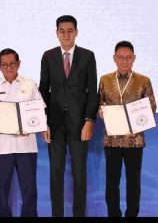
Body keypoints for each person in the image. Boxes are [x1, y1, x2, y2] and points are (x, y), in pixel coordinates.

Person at [39, 15, 98, 217]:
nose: (66, 35)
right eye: (62, 31)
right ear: (57, 33)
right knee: (56, 173)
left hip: (79, 123)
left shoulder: (87, 56)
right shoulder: (48, 56)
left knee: (79, 173)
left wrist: (89, 121)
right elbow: (43, 90)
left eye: (70, 31)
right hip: (54, 124)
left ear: (76, 32)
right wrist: (43, 122)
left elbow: (92, 92)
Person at [0, 48, 44, 217]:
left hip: (26, 145)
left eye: (12, 64)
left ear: (19, 64)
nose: (9, 67)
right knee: (1, 189)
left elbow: (39, 111)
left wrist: (32, 125)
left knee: (29, 188)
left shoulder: (30, 85)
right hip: (0, 146)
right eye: (5, 65)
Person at [98, 41, 156, 217]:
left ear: (134, 58)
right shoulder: (105, 79)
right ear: (114, 58)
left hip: (134, 139)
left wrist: (141, 118)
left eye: (128, 58)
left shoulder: (144, 80)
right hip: (112, 139)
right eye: (121, 58)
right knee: (112, 182)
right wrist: (100, 111)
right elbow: (99, 103)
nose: (124, 61)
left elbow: (152, 107)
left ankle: (132, 214)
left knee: (133, 182)